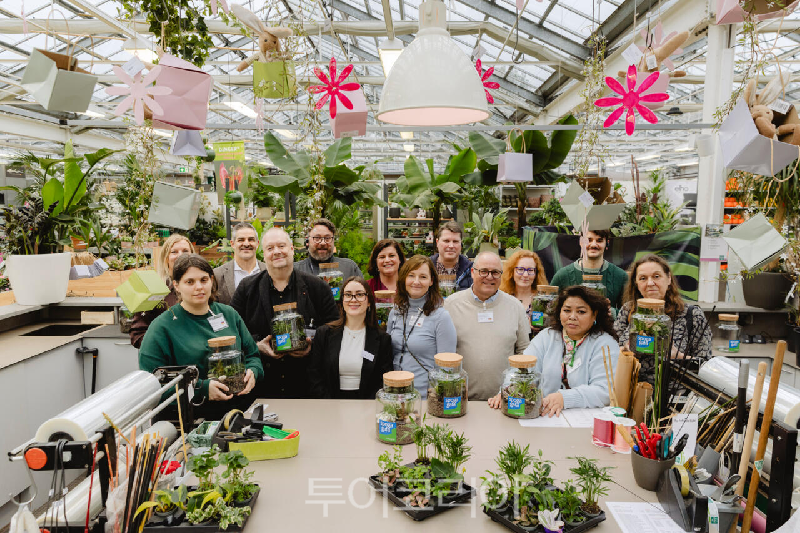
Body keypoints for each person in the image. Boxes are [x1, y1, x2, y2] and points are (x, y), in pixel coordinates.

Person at [138, 254, 264, 419]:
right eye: (190, 282)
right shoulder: (162, 327)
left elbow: (252, 355)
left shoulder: (228, 314)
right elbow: (152, 384)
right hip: (190, 420)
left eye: (204, 280)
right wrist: (202, 389)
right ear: (176, 285)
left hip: (237, 413)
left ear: (211, 280)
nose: (199, 287)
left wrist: (253, 372)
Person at [231, 227, 339, 398]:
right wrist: (256, 346)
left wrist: (312, 345)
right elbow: (233, 332)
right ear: (263, 254)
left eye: (281, 246)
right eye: (270, 248)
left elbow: (335, 329)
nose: (277, 252)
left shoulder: (317, 287)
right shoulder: (247, 288)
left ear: (291, 249)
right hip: (262, 387)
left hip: (308, 384)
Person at [489, 285, 619, 416]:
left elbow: (605, 391)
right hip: (545, 416)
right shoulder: (547, 336)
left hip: (587, 420)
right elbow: (524, 369)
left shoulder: (605, 344)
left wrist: (564, 398)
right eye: (567, 310)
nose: (572, 317)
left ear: (594, 314)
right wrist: (508, 391)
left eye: (581, 312)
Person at [444, 252, 530, 400]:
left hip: (503, 400)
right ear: (472, 272)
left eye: (495, 272)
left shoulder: (515, 307)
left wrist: (511, 389)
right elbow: (443, 353)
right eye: (483, 271)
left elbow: (524, 352)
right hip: (460, 400)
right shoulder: (451, 305)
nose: (489, 277)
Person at [614, 254, 712, 384]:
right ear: (636, 284)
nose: (650, 283)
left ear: (669, 279)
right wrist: (625, 351)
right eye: (643, 278)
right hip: (632, 393)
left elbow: (707, 366)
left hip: (675, 397)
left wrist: (678, 357)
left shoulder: (692, 315)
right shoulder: (628, 310)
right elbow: (609, 355)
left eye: (656, 276)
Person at [308, 277, 393, 399]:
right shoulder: (324, 334)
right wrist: (329, 404)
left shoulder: (382, 339)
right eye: (348, 295)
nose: (353, 299)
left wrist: (366, 407)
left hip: (367, 405)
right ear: (342, 300)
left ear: (369, 301)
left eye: (359, 294)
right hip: (329, 405)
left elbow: (383, 380)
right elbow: (314, 375)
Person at [386, 255, 458, 397]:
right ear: (404, 279)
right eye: (411, 275)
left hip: (425, 397)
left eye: (423, 277)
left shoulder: (441, 317)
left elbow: (447, 368)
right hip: (394, 395)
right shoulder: (395, 312)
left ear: (431, 281)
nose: (416, 282)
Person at [130, 234, 195, 348]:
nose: (180, 255)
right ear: (166, 258)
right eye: (174, 252)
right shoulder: (153, 288)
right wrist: (164, 347)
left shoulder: (201, 286)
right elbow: (138, 334)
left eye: (185, 251)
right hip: (167, 361)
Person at [550, 229, 628, 311]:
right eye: (588, 240)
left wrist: (611, 312)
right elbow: (550, 309)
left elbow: (629, 313)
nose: (593, 245)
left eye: (599, 240)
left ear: (607, 243)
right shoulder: (562, 275)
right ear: (581, 242)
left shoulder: (621, 276)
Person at [214, 222, 266, 305]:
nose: (246, 244)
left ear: (257, 243)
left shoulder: (269, 271)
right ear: (232, 244)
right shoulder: (217, 275)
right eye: (241, 240)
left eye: (251, 239)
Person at [294, 218, 363, 280]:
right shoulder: (295, 271)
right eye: (317, 238)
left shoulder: (348, 268)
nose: (323, 243)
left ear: (333, 241)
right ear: (307, 241)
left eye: (327, 238)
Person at [499, 250, 549, 327]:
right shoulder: (502, 298)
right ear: (512, 272)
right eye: (520, 269)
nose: (525, 275)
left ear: (536, 273)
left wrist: (540, 327)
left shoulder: (543, 300)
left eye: (530, 270)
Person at [430, 221, 472, 291]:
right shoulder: (426, 268)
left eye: (455, 241)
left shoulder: (472, 271)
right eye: (446, 241)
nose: (451, 246)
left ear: (461, 244)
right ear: (437, 243)